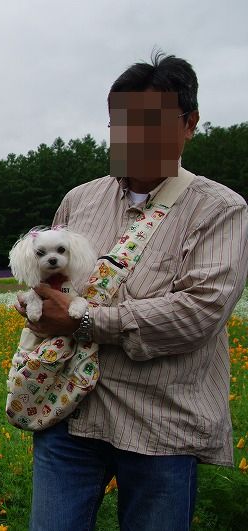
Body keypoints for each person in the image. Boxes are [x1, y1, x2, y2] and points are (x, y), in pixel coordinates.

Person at [14, 51, 248, 531]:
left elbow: (199, 312)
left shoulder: (220, 210)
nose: (132, 137)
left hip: (161, 427)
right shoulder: (79, 200)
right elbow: (47, 279)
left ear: (190, 124)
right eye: (120, 123)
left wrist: (85, 320)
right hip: (69, 414)